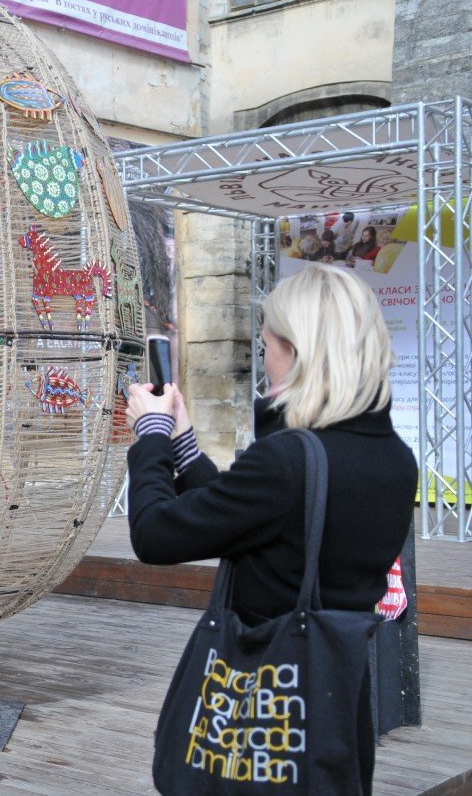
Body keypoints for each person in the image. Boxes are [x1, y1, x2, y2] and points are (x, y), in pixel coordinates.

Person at [124, 263, 416, 794]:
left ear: (296, 352)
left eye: (266, 347)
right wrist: (184, 446)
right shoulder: (394, 458)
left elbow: (155, 534)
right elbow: (253, 520)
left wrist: (151, 439)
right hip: (332, 708)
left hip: (263, 717)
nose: (265, 361)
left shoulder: (287, 461)